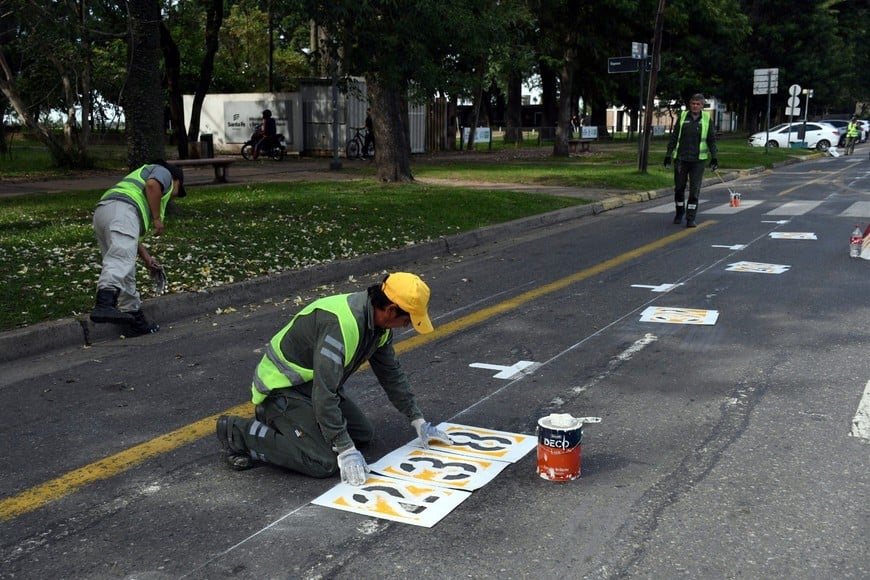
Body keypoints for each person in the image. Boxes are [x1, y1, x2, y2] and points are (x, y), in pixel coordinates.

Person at [216, 272, 453, 486]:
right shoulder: (340, 326)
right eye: (408, 319)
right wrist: (344, 448)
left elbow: (391, 375)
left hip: (311, 387)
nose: (407, 325)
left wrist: (418, 420)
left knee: (363, 435)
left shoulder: (379, 328)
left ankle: (284, 422)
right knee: (323, 462)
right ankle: (238, 432)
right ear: (391, 309)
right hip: (283, 388)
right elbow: (325, 393)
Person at [90, 160, 186, 335]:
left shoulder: (137, 185)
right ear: (176, 180)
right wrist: (157, 219)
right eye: (178, 191)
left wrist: (147, 258)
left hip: (104, 211)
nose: (173, 197)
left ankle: (133, 319)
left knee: (124, 265)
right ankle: (104, 303)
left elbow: (130, 240)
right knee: (120, 259)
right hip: (123, 210)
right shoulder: (164, 172)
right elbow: (152, 185)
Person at [664, 93, 718, 228]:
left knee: (694, 190)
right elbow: (674, 137)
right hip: (681, 159)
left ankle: (690, 217)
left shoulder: (706, 118)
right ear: (690, 104)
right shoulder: (683, 116)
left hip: (698, 161)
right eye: (693, 103)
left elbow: (711, 140)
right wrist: (668, 155)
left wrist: (714, 157)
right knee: (679, 188)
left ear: (702, 105)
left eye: (698, 104)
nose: (695, 106)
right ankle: (679, 212)